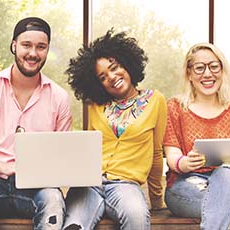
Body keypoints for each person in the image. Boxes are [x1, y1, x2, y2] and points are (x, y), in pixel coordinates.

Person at [0, 17, 71, 230]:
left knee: (54, 201)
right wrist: (7, 168)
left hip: (37, 186)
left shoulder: (59, 97)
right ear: (14, 45)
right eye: (26, 45)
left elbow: (62, 157)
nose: (33, 53)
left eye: (41, 47)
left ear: (47, 50)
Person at [63, 30, 166, 230]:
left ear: (127, 64)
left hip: (125, 185)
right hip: (89, 184)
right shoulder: (95, 106)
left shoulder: (156, 100)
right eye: (102, 77)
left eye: (115, 67)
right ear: (97, 84)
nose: (112, 76)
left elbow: (156, 152)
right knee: (74, 225)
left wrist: (156, 200)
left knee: (136, 216)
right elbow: (88, 149)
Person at [162, 43, 230, 230]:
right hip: (187, 184)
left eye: (214, 66)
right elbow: (172, 156)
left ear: (222, 70)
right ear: (189, 74)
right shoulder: (175, 107)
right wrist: (184, 163)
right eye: (199, 68)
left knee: (226, 170)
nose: (207, 74)